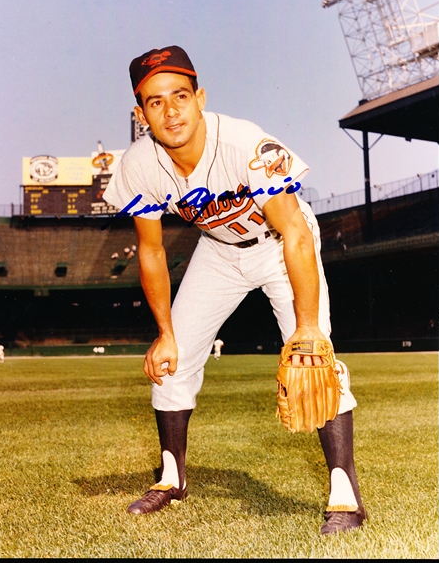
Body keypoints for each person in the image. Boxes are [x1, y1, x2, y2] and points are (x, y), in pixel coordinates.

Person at [103, 45, 366, 534]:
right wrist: (164, 332)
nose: (171, 110)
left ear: (200, 97)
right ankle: (171, 478)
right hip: (218, 250)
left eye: (179, 95)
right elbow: (152, 251)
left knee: (317, 359)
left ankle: (345, 494)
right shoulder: (140, 164)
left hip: (279, 244)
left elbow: (295, 233)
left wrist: (307, 328)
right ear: (141, 115)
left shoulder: (243, 141)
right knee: (172, 359)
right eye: (155, 102)